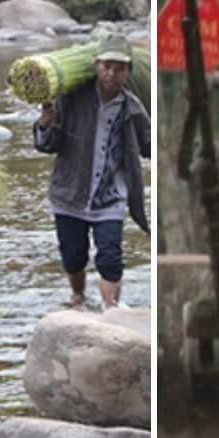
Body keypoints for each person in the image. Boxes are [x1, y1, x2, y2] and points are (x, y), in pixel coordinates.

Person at [34, 38, 151, 310]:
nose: (111, 73)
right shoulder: (71, 98)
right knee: (73, 256)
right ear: (96, 67)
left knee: (110, 257)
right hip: (69, 194)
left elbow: (148, 146)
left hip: (110, 197)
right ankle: (78, 297)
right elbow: (46, 145)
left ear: (128, 72)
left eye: (119, 68)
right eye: (106, 66)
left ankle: (111, 309)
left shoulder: (131, 108)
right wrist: (45, 122)